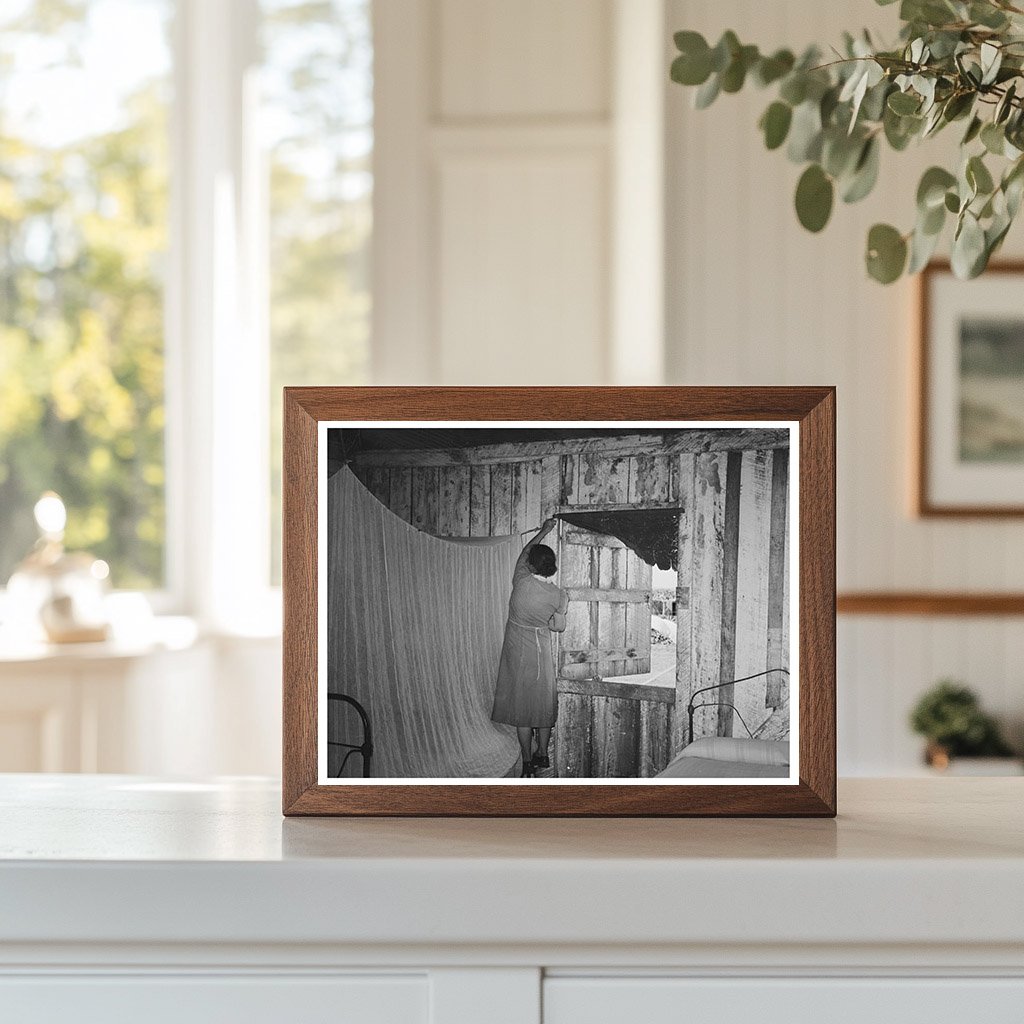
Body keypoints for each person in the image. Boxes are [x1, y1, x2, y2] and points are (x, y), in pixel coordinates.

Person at [491, 517, 568, 776]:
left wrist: (545, 530)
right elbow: (559, 627)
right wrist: (546, 619)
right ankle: (543, 754)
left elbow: (525, 552)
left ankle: (526, 761)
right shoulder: (559, 595)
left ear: (531, 565)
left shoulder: (521, 579)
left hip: (515, 650)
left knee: (523, 709)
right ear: (553, 567)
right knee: (542, 705)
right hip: (540, 651)